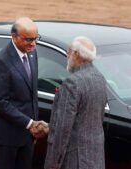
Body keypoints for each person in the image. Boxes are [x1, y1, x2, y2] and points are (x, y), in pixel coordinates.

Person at [0, 17, 47, 169]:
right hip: (5, 137)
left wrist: (34, 123)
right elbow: (0, 102)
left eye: (35, 38)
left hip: (26, 136)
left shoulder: (32, 53)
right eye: (28, 39)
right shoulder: (1, 61)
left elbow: (32, 93)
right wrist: (30, 123)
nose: (33, 43)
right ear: (14, 36)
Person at [44, 36, 107, 169]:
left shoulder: (72, 83)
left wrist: (54, 162)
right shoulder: (100, 78)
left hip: (74, 159)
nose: (67, 54)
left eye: (69, 51)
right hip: (95, 158)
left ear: (76, 54)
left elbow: (63, 127)